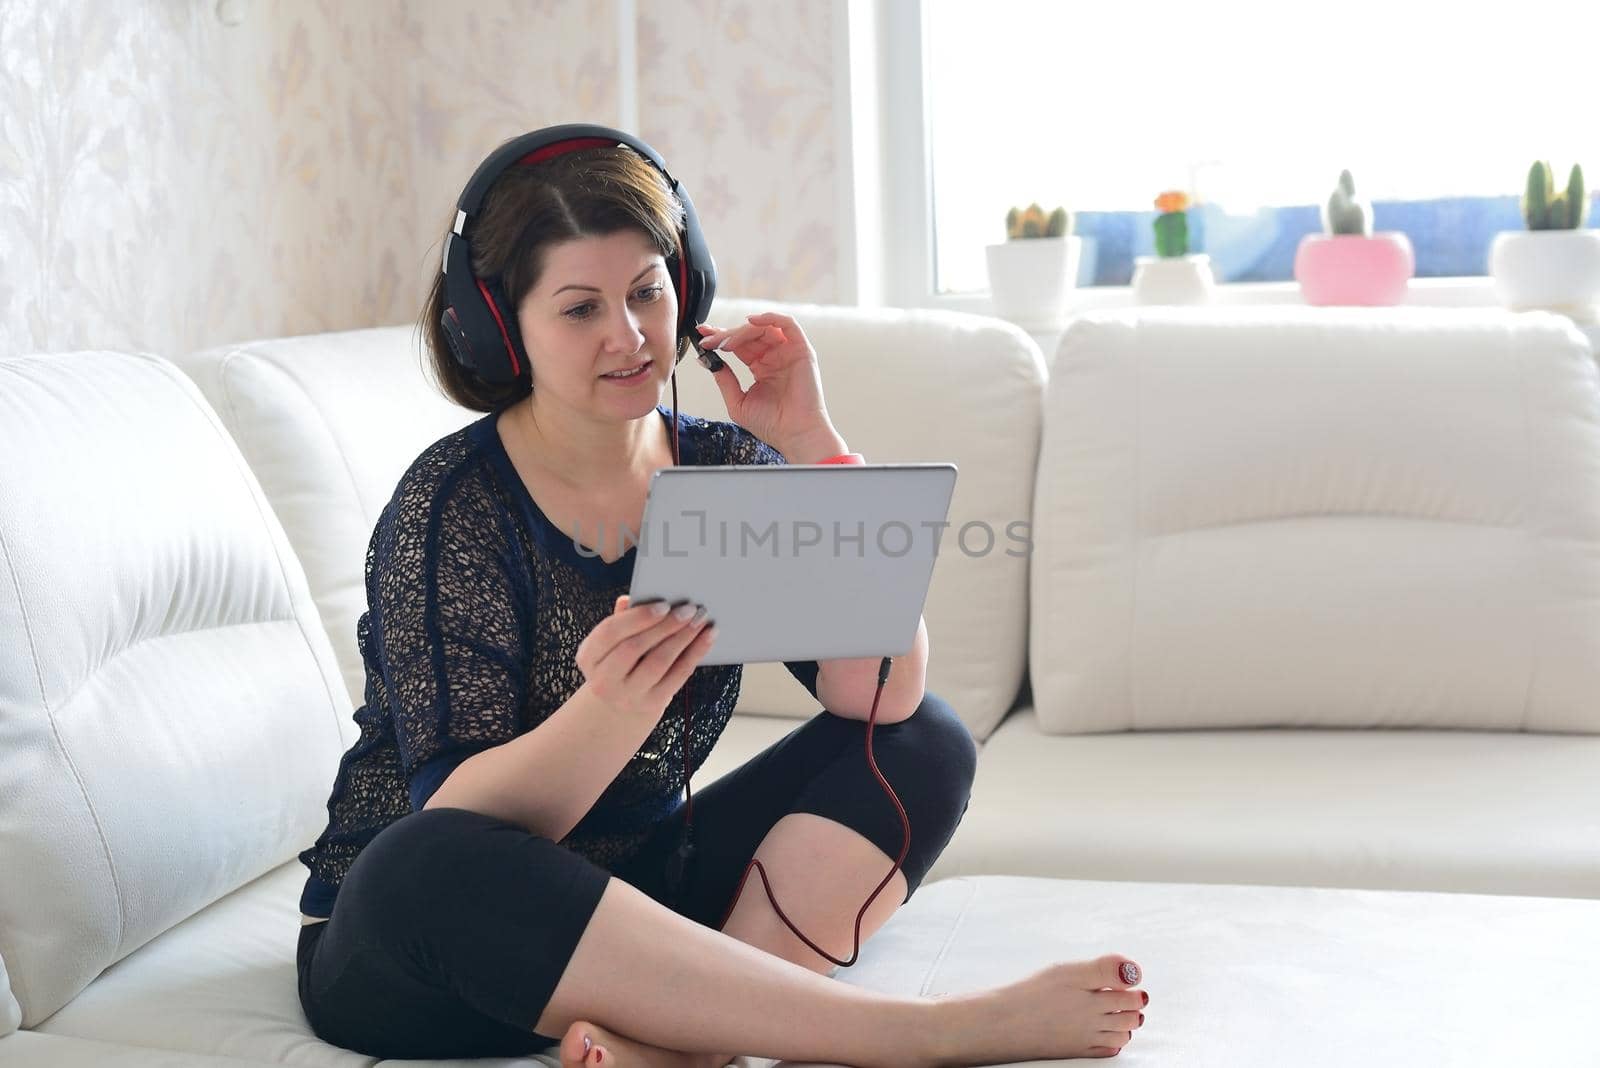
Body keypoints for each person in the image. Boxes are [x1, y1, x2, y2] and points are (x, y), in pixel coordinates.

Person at [292, 131, 1148, 1068]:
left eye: (647, 292)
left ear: (685, 286)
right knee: (427, 862)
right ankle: (924, 1037)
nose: (628, 335)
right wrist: (612, 712)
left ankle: (688, 1050)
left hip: (651, 902)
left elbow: (878, 695)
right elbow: (460, 818)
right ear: (503, 329)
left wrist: (812, 447)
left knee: (925, 736)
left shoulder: (718, 463)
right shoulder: (452, 507)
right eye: (580, 309)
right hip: (440, 948)